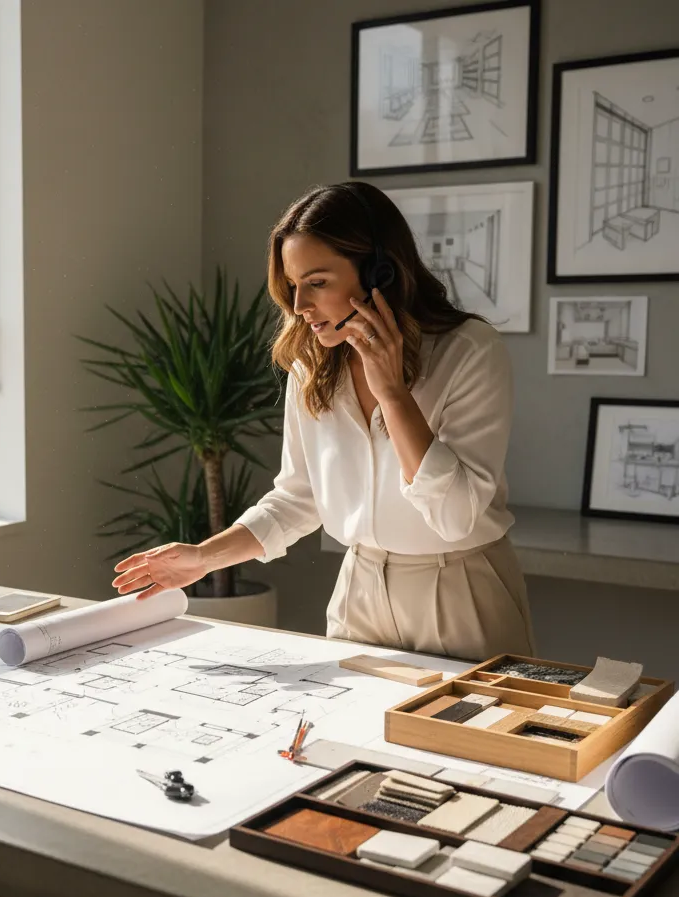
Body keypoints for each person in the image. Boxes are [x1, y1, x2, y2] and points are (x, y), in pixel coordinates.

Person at [112, 180, 534, 663]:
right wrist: (203, 557)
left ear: (379, 272)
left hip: (462, 591)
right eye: (292, 286)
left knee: (472, 738)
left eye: (317, 282)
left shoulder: (469, 350)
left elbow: (456, 515)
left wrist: (392, 393)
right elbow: (298, 497)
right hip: (360, 593)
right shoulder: (312, 365)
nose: (299, 306)